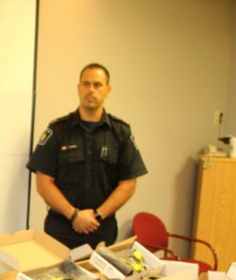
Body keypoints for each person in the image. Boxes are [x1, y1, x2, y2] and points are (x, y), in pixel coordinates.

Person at [28, 63, 147, 249]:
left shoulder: (120, 133)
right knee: (55, 278)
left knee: (100, 279)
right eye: (86, 84)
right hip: (60, 232)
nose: (91, 90)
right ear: (78, 88)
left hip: (101, 230)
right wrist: (74, 215)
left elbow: (128, 184)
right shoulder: (58, 131)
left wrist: (96, 215)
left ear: (108, 90)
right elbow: (43, 183)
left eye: (97, 85)